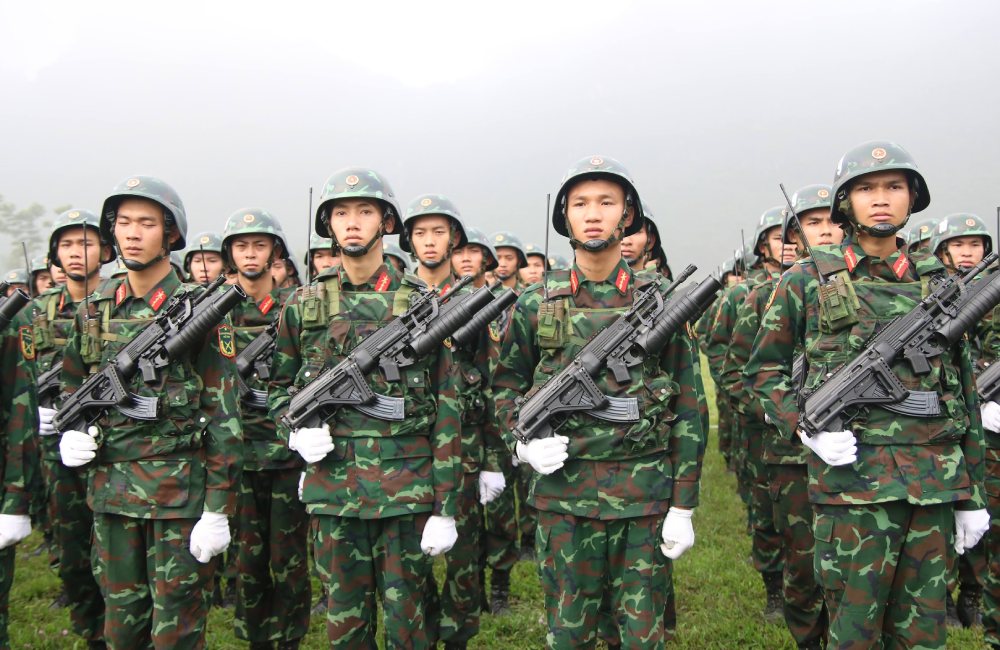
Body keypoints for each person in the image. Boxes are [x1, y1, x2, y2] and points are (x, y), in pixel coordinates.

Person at [746, 141, 990, 649]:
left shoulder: (938, 285)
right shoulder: (807, 281)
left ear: (912, 198)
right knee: (853, 635)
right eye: (866, 188)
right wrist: (803, 428)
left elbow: (962, 393)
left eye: (893, 187)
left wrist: (972, 496)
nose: (881, 198)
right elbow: (763, 372)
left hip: (933, 491)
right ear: (845, 203)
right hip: (852, 491)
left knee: (923, 636)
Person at [493, 155, 705, 649]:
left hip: (643, 499)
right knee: (570, 635)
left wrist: (684, 504)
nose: (593, 214)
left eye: (606, 202)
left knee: (642, 636)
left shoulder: (659, 303)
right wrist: (521, 445)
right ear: (564, 216)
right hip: (563, 501)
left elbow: (690, 406)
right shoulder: (535, 303)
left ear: (627, 215)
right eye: (581, 203)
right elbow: (503, 388)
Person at [268, 168, 462, 648]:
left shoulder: (422, 303)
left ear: (387, 222)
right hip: (334, 495)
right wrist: (292, 433)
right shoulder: (302, 304)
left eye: (365, 211)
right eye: (340, 213)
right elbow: (275, 389)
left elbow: (448, 409)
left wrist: (448, 506)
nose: (351, 222)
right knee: (345, 630)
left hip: (406, 496)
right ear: (327, 226)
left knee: (410, 628)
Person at [58, 175, 243, 648]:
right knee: (121, 627)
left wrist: (218, 508)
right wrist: (69, 433)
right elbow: (72, 387)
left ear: (171, 234)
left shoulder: (199, 311)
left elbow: (224, 416)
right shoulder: (93, 311)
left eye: (146, 223)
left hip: (177, 500)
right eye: (123, 223)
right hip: (111, 497)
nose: (133, 233)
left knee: (176, 632)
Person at [728, 186, 841, 648]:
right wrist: (787, 417)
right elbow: (740, 372)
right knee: (803, 558)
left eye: (829, 220)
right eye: (811, 223)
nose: (826, 230)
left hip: (858, 451)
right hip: (789, 451)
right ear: (794, 236)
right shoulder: (764, 296)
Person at [402, 194, 506, 649]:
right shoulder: (399, 298)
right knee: (409, 564)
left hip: (462, 452)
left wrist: (492, 460)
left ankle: (459, 636)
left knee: (464, 562)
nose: (429, 242)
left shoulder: (474, 302)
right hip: (404, 451)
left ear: (455, 239)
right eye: (421, 233)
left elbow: (494, 384)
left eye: (439, 232)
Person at [221, 208, 309, 649]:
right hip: (236, 457)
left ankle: (289, 638)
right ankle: (253, 638)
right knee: (246, 561)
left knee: (288, 560)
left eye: (259, 245)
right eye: (241, 245)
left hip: (286, 455)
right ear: (229, 253)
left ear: (275, 251)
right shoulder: (215, 311)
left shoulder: (297, 306)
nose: (251, 254)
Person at [31, 209, 114, 648]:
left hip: (111, 443)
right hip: (55, 448)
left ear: (104, 249)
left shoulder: (118, 303)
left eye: (85, 244)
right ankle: (91, 633)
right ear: (54, 254)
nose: (75, 253)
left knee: (116, 554)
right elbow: (23, 375)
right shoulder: (38, 311)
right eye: (66, 245)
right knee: (72, 550)